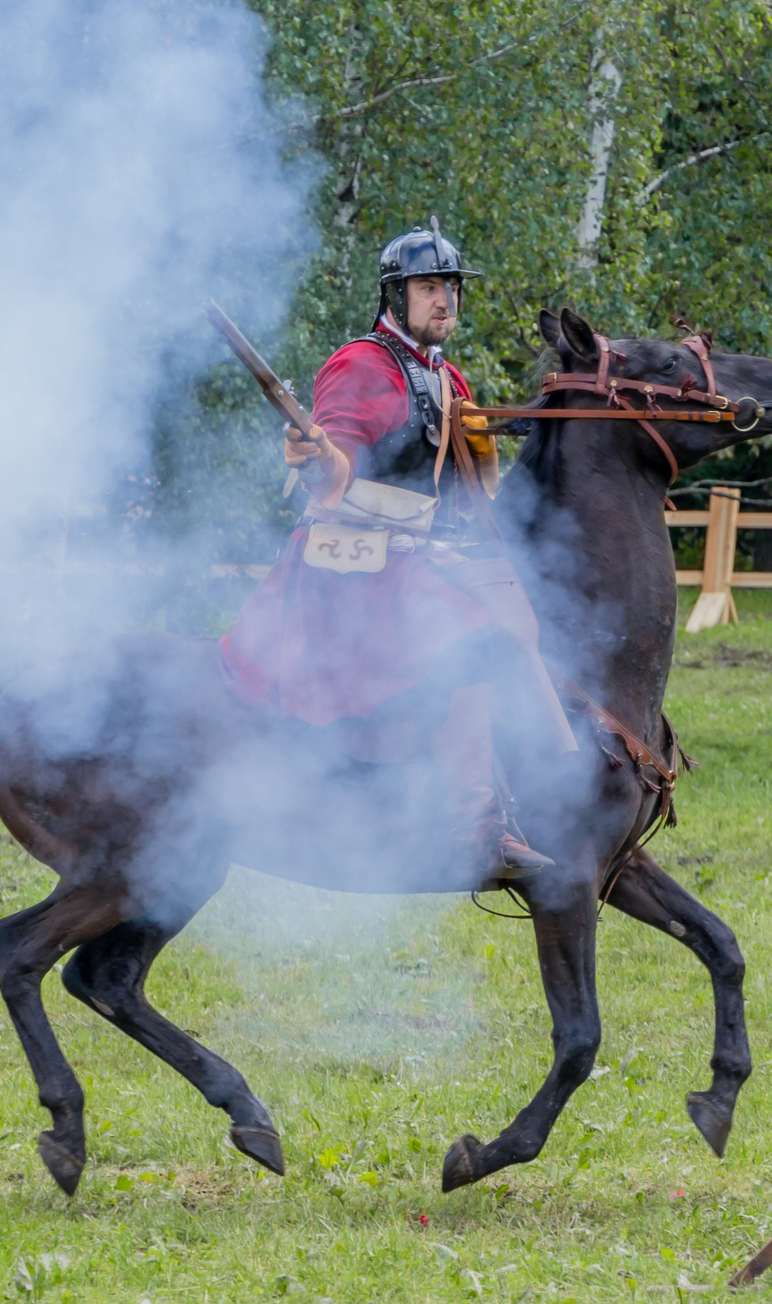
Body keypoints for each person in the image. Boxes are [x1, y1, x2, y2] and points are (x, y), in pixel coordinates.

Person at [224, 223, 559, 882]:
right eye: (428, 287)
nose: (445, 301)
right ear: (395, 296)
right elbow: (334, 465)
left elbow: (466, 478)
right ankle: (474, 830)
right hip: (353, 562)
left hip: (413, 555)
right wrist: (316, 457)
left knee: (523, 609)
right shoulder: (361, 364)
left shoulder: (446, 375)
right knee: (474, 638)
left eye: (452, 288)